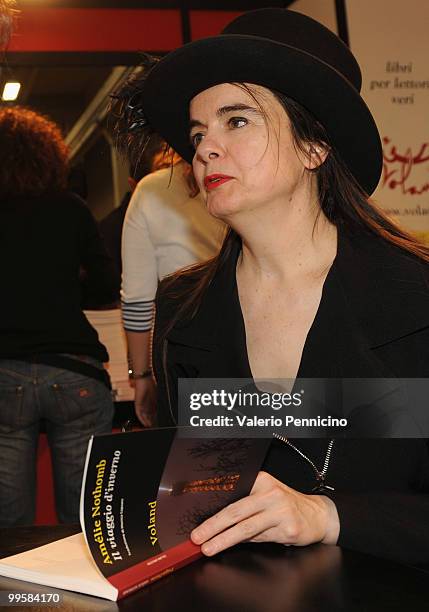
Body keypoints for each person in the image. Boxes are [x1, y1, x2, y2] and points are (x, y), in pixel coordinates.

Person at [116, 9, 429, 566]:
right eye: (198, 134)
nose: (205, 149)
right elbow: (184, 498)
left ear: (314, 147)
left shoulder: (416, 297)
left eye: (236, 121)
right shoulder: (184, 311)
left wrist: (328, 516)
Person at [0, 106, 119, 526]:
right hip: (73, 369)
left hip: (3, 375)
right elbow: (107, 285)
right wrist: (65, 286)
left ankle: (13, 592)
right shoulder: (70, 208)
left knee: (7, 527)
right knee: (85, 521)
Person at [119, 140, 224, 426]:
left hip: (184, 343)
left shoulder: (151, 191)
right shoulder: (237, 178)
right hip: (246, 331)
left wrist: (141, 376)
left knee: (192, 461)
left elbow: (137, 299)